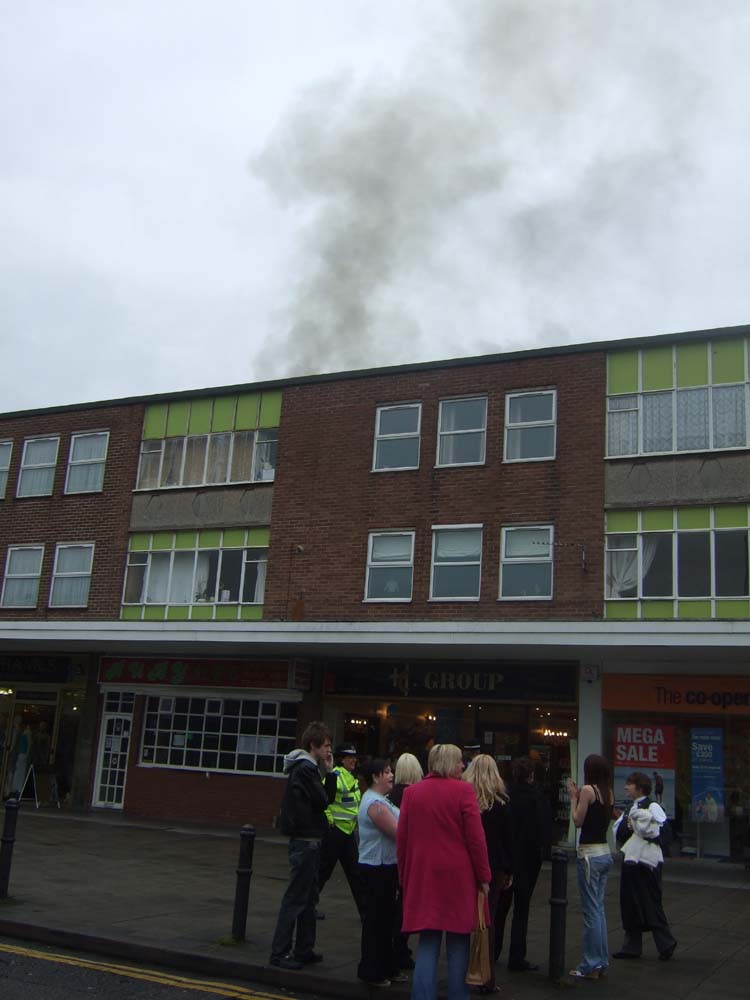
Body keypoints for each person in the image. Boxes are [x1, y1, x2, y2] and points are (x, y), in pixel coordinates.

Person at [397, 743, 491, 1000]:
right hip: (458, 877)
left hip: (423, 876)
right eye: (460, 761)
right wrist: (484, 877)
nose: (463, 766)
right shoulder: (464, 791)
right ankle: (458, 995)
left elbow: (402, 840)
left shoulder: (411, 793)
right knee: (459, 940)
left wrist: (404, 877)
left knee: (428, 941)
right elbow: (476, 840)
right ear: (449, 763)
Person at [269, 721, 337, 971]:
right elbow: (323, 800)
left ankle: (304, 949)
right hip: (305, 842)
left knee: (309, 899)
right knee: (296, 898)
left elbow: (323, 800)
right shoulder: (306, 770)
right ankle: (280, 953)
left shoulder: (307, 770)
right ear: (313, 745)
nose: (329, 751)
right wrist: (329, 774)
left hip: (310, 841)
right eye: (327, 746)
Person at [613, 771, 677, 962]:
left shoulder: (652, 806)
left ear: (639, 787)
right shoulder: (632, 808)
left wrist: (642, 831)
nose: (626, 787)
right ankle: (633, 946)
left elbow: (665, 833)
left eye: (629, 784)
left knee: (650, 902)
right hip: (632, 862)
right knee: (630, 903)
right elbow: (622, 832)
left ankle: (665, 942)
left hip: (646, 864)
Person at [463, 754, 513, 995]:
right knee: (487, 920)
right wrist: (509, 869)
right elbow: (507, 839)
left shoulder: (465, 801)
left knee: (463, 919)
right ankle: (485, 975)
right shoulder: (501, 803)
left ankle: (463, 969)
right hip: (495, 867)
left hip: (467, 865)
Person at [499, 755, 552, 972]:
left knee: (500, 909)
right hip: (529, 859)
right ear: (531, 775)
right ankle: (517, 956)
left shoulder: (505, 796)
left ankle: (492, 952)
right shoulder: (537, 799)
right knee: (522, 908)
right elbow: (544, 830)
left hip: (507, 857)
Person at [357, 758, 406, 988]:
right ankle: (371, 971)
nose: (391, 775)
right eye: (386, 772)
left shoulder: (382, 801)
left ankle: (387, 967)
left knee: (387, 920)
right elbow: (399, 832)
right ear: (375, 777)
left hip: (386, 867)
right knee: (377, 921)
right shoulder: (374, 804)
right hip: (376, 869)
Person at [566, 754, 615, 980]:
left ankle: (591, 963)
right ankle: (601, 961)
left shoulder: (588, 791)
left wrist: (573, 798)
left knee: (590, 911)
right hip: (604, 852)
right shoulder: (608, 792)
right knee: (599, 909)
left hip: (588, 855)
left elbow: (577, 821)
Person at [318, 743, 366, 919]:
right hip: (336, 833)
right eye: (349, 757)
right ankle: (308, 906)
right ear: (341, 759)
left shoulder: (351, 778)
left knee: (356, 874)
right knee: (323, 871)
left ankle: (365, 912)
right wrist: (331, 822)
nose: (354, 760)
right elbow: (323, 802)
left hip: (348, 832)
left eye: (354, 757)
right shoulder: (335, 777)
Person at [390, 752, 424, 970]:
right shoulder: (414, 795)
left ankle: (395, 947)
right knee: (404, 905)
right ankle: (400, 949)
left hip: (389, 856)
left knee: (395, 905)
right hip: (409, 858)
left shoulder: (390, 794)